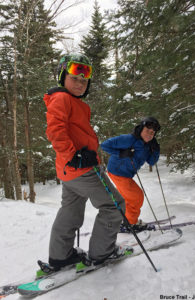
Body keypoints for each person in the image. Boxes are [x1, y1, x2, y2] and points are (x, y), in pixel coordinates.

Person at [43, 53, 127, 271]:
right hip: (80, 168)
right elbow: (55, 131)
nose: (80, 83)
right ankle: (103, 253)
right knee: (113, 205)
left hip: (69, 171)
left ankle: (60, 256)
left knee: (70, 211)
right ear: (63, 76)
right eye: (75, 78)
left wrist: (74, 157)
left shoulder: (72, 101)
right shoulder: (62, 99)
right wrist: (74, 156)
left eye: (84, 80)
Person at [100, 117, 160, 232]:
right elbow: (105, 145)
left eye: (152, 133)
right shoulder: (128, 139)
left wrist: (156, 149)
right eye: (148, 131)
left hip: (126, 174)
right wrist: (121, 153)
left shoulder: (148, 146)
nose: (150, 134)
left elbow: (151, 161)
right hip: (117, 172)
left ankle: (126, 220)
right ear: (141, 128)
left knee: (130, 198)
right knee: (136, 197)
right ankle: (130, 224)